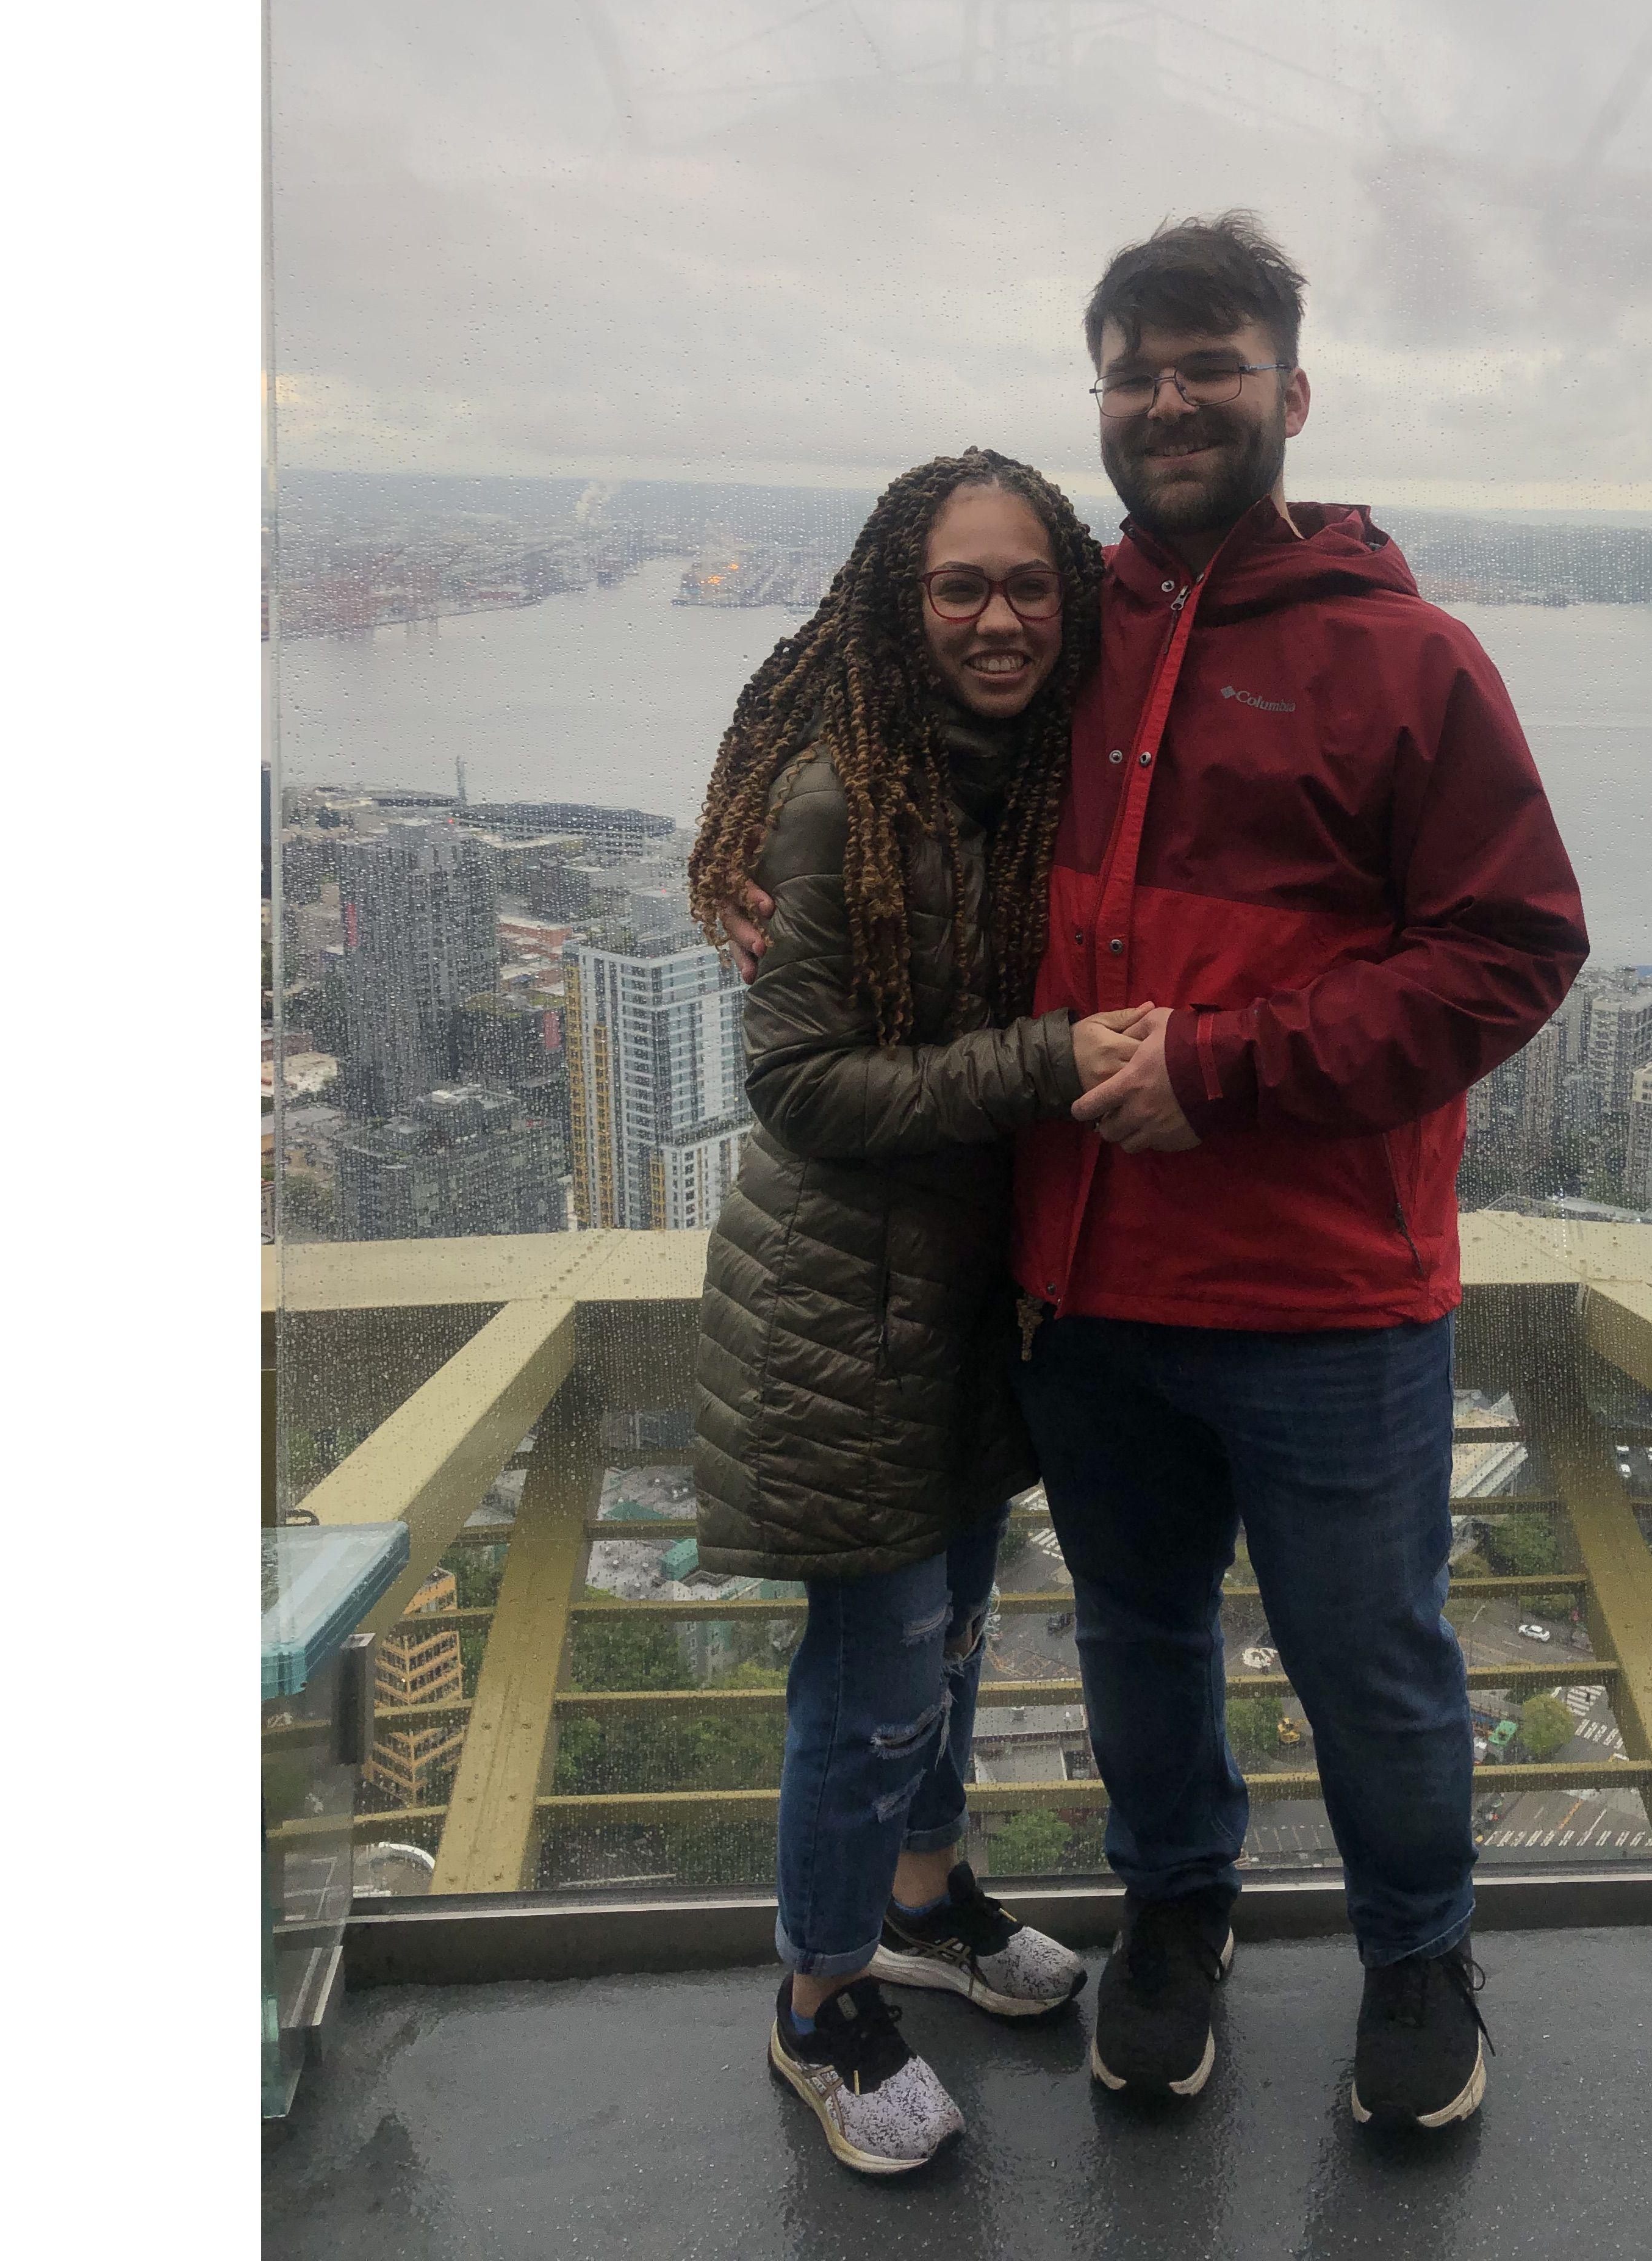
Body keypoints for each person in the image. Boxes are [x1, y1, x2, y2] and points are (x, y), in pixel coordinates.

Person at [724, 216, 1587, 2134]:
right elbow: (875, 752)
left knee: (1371, 1653)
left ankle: (1419, 1951)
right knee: (1139, 1646)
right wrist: (772, 884)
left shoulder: (1406, 661)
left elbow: (1512, 950)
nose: (1172, 399)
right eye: (1135, 370)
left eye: (1212, 364)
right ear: (1099, 401)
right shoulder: (1074, 630)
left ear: (1293, 391)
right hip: (1087, 1293)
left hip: (1324, 1291)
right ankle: (1174, 1925)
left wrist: (1229, 1073)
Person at [685, 446, 1153, 2177]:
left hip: (963, 1303)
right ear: (901, 600)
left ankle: (924, 1897)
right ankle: (818, 2001)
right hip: (840, 1315)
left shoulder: (1021, 781)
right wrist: (1043, 1064)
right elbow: (797, 1086)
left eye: (1027, 583)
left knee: (951, 1635)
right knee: (875, 1672)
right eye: (959, 586)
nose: (998, 616)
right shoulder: (838, 794)